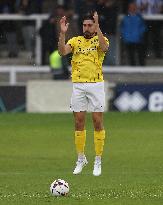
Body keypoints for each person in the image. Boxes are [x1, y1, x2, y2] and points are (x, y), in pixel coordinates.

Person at [58, 11, 109, 176]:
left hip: (96, 85)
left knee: (97, 122)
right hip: (78, 85)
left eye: (90, 25)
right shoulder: (75, 41)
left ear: (94, 26)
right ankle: (81, 158)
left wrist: (98, 26)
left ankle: (98, 159)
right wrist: (63, 33)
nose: (86, 28)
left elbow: (105, 48)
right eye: (84, 25)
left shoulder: (100, 39)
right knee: (79, 122)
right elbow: (62, 52)